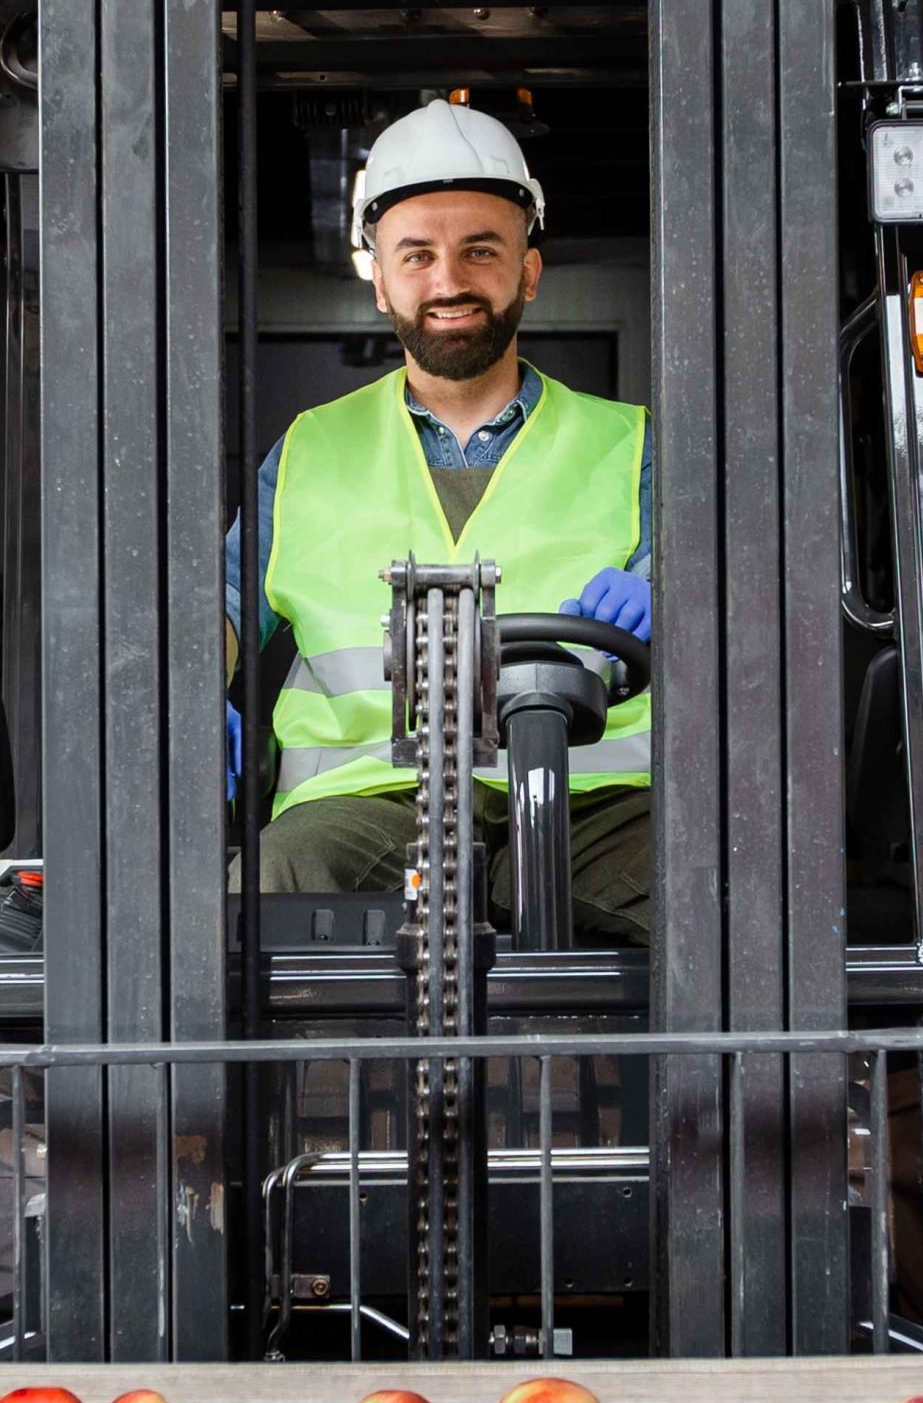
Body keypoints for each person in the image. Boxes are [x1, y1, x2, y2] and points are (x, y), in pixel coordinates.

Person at [224, 102, 654, 941]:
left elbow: (716, 585)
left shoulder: (633, 444)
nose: (449, 280)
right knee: (261, 894)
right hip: (367, 802)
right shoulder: (308, 451)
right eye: (417, 254)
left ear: (529, 271)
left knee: (723, 896)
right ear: (380, 279)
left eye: (481, 250)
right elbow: (225, 605)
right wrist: (184, 690)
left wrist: (669, 596)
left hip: (594, 803)